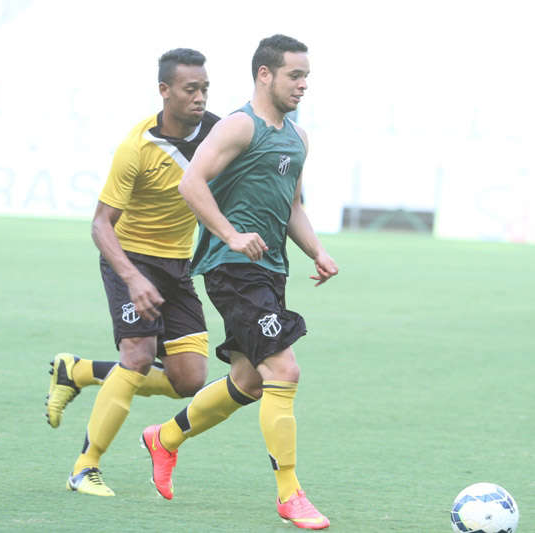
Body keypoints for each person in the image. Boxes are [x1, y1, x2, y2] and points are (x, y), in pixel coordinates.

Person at [141, 35, 338, 530]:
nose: (304, 84)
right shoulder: (237, 126)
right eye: (295, 75)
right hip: (232, 269)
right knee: (284, 372)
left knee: (250, 381)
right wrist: (230, 233)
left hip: (271, 270)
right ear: (265, 75)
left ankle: (164, 438)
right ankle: (290, 493)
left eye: (306, 76)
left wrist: (317, 251)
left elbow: (293, 206)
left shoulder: (298, 137)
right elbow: (192, 183)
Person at [45, 48, 218, 497]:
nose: (200, 97)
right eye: (190, 89)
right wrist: (132, 276)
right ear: (164, 91)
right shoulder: (136, 147)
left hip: (177, 266)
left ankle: (77, 371)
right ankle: (85, 466)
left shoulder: (217, 132)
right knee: (139, 355)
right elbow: (101, 224)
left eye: (204, 88)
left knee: (188, 381)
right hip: (131, 259)